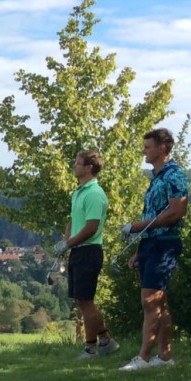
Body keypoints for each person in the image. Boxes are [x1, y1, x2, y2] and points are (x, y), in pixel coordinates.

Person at [118, 127, 189, 371]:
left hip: (165, 244)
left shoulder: (175, 175)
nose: (144, 151)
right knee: (159, 302)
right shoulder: (157, 177)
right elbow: (154, 214)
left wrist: (138, 226)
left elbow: (177, 212)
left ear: (162, 148)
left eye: (148, 147)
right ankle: (165, 358)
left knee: (150, 301)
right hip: (150, 244)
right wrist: (140, 250)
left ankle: (143, 359)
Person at [54, 149, 118, 360]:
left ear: (89, 168)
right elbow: (74, 220)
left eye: (77, 163)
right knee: (81, 300)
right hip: (78, 250)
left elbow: (91, 227)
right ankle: (106, 340)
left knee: (86, 300)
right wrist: (65, 242)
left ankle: (91, 348)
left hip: (89, 250)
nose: (74, 166)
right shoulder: (79, 192)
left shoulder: (94, 194)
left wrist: (69, 243)